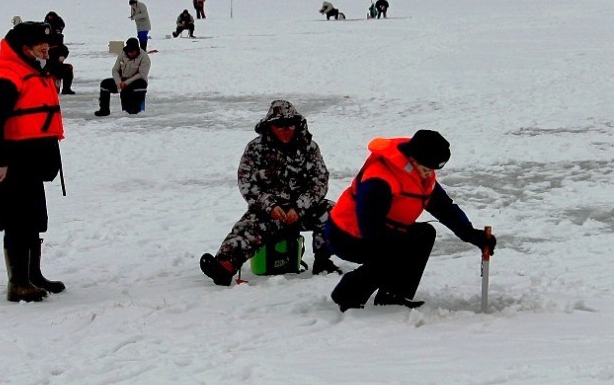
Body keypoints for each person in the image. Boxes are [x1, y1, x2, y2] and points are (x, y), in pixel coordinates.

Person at [324, 130, 496, 311]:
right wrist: (397, 245)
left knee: (424, 235)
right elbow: (370, 228)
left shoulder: (420, 174)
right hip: (346, 235)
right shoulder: (379, 179)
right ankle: (347, 294)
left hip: (379, 230)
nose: (429, 174)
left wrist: (472, 235)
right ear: (413, 159)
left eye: (433, 169)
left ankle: (393, 296)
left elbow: (444, 208)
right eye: (426, 168)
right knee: (395, 249)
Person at [199, 100, 340, 286]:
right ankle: (224, 267)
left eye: (291, 124)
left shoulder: (309, 147)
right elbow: (247, 183)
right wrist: (270, 205)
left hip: (303, 209)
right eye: (280, 125)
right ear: (270, 125)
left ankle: (323, 263)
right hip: (269, 211)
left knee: (334, 213)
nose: (286, 129)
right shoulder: (255, 149)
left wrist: (299, 207)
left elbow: (319, 182)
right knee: (246, 228)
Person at [0, 21, 66, 303]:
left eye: (47, 43)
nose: (46, 47)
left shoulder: (33, 69)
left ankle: (32, 275)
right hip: (16, 160)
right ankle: (18, 283)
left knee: (35, 219)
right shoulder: (8, 76)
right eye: (40, 43)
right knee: (18, 221)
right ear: (25, 48)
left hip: (34, 159)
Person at [96, 37, 150, 116]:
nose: (130, 53)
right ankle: (104, 110)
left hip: (137, 81)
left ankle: (134, 110)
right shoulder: (122, 54)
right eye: (129, 52)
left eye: (132, 52)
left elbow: (141, 74)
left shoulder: (144, 57)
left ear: (137, 50)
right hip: (122, 80)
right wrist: (119, 82)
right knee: (105, 84)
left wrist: (126, 83)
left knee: (135, 86)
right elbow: (115, 70)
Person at [43, 11, 75, 94]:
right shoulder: (43, 38)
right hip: (44, 67)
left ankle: (66, 89)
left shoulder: (58, 38)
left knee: (68, 68)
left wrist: (62, 56)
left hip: (55, 65)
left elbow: (63, 49)